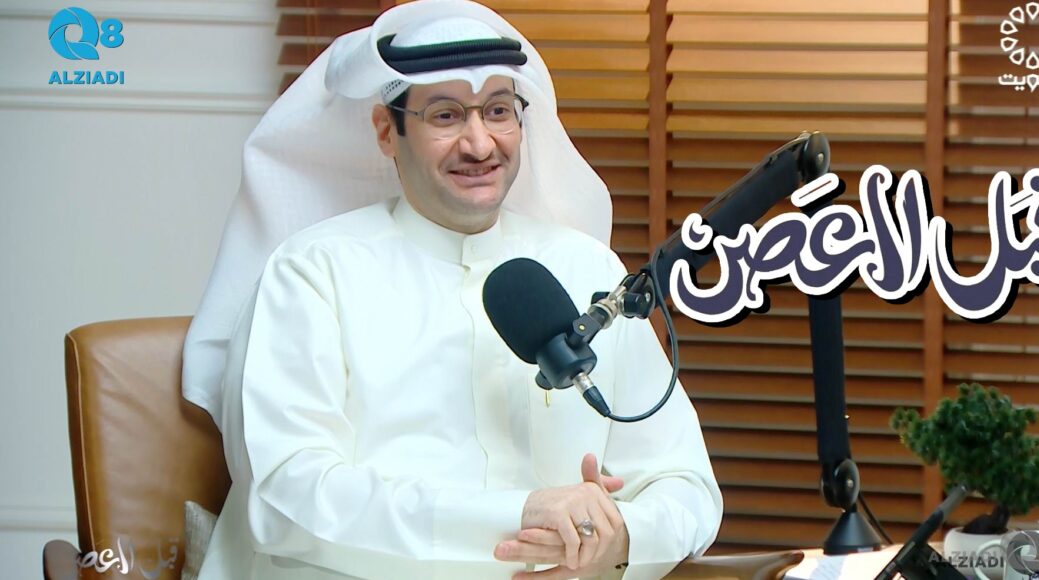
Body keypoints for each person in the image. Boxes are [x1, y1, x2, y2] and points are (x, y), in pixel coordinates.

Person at [186, 1, 722, 578]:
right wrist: (517, 518)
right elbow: (285, 496)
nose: (480, 144)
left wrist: (617, 543)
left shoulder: (586, 269)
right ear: (386, 131)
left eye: (498, 111)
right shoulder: (312, 274)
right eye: (445, 116)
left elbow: (686, 484)